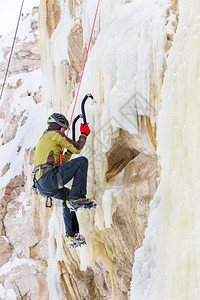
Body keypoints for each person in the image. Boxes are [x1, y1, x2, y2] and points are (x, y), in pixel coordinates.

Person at [33, 113, 94, 247]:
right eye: (62, 129)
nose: (63, 131)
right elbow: (77, 148)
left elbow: (59, 165)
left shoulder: (44, 138)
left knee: (67, 197)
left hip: (43, 185)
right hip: (49, 178)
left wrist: (67, 153)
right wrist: (84, 134)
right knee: (82, 161)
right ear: (56, 127)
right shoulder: (55, 134)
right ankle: (78, 198)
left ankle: (72, 235)